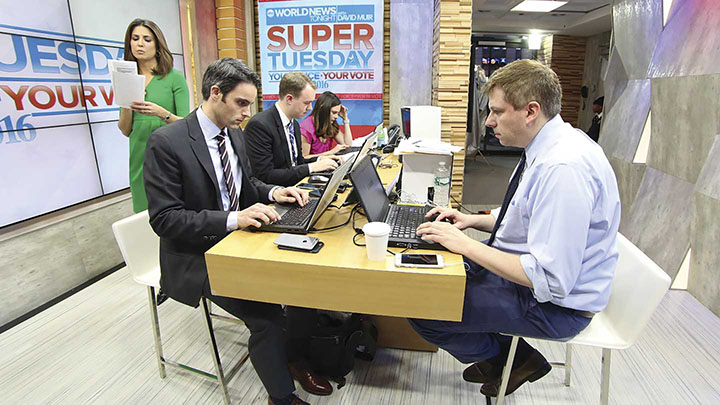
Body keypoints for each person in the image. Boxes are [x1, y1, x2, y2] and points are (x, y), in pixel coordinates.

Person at [410, 60, 621, 398]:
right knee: (431, 275)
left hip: (557, 309)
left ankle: (511, 358)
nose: (489, 121)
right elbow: (526, 215)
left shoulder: (562, 169)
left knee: (425, 306)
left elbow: (550, 278)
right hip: (531, 282)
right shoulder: (550, 146)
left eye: (496, 112)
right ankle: (504, 356)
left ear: (530, 111)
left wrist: (465, 245)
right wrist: (472, 221)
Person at [144, 58, 330, 405]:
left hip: (239, 239)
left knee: (305, 286)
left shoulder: (234, 134)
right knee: (268, 316)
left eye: (250, 104)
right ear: (216, 94)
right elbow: (165, 219)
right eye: (241, 103)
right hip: (196, 255)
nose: (248, 112)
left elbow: (247, 184)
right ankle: (281, 397)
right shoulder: (167, 142)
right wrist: (233, 218)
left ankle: (292, 359)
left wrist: (275, 193)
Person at [118, 18, 190, 213]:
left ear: (158, 45)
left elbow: (187, 124)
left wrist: (161, 113)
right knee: (143, 213)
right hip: (139, 153)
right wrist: (127, 104)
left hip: (168, 152)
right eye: (135, 38)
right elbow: (125, 130)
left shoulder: (174, 77)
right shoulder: (126, 79)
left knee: (170, 209)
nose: (140, 43)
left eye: (147, 39)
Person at [245, 72, 342, 187]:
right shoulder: (260, 125)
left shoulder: (294, 124)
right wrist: (312, 167)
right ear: (289, 99)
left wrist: (320, 159)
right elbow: (265, 175)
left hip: (295, 189)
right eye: (307, 103)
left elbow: (298, 163)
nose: (310, 108)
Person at [299, 91, 353, 159]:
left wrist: (345, 119)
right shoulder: (306, 128)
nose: (336, 116)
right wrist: (330, 153)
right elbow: (304, 158)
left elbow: (347, 145)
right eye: (334, 113)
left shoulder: (330, 123)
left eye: (337, 113)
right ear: (323, 110)